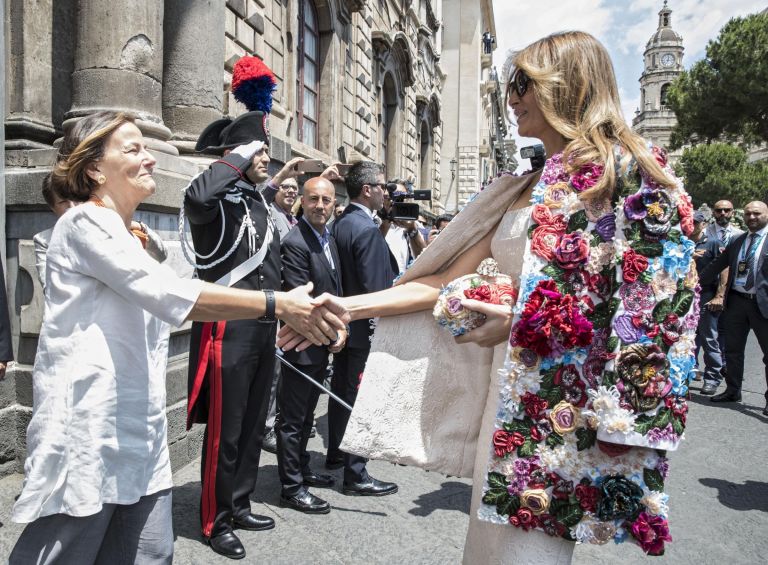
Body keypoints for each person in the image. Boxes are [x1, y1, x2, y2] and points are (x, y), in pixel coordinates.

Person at [282, 31, 697, 560]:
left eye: (524, 82)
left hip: (558, 417)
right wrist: (342, 307)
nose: (511, 96)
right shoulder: (522, 186)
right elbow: (436, 279)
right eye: (509, 83)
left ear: (567, 84)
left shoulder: (631, 176)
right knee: (487, 549)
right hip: (501, 409)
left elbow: (657, 312)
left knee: (524, 554)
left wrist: (523, 321)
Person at [9, 111, 346, 565]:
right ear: (93, 168)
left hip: (139, 428)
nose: (150, 158)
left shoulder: (131, 236)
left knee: (152, 553)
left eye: (147, 147)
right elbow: (175, 294)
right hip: (91, 427)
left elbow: (193, 281)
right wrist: (277, 304)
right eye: (133, 149)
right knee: (66, 553)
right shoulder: (83, 223)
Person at [325, 160, 399, 496]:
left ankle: (337, 455)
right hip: (363, 329)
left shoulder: (343, 223)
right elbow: (374, 290)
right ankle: (356, 473)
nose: (386, 192)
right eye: (382, 187)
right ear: (366, 190)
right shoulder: (365, 228)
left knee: (342, 393)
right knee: (359, 399)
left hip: (345, 327)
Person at [277, 177, 344, 514]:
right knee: (291, 420)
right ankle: (291, 488)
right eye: (314, 199)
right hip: (302, 345)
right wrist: (334, 335)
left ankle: (302, 470)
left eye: (327, 200)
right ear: (302, 201)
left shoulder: (326, 237)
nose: (320, 206)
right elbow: (303, 302)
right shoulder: (295, 242)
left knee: (305, 418)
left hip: (320, 346)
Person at [34, 174, 166, 289]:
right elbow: (50, 287)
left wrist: (135, 226)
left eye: (77, 198)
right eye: (63, 202)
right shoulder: (45, 240)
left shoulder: (114, 225)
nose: (72, 207)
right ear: (52, 208)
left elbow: (160, 255)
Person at [700, 200, 768, 416]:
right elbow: (716, 265)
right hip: (737, 302)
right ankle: (732, 390)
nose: (752, 217)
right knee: (733, 350)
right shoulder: (738, 240)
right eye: (748, 214)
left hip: (762, 305)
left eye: (757, 213)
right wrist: (693, 285)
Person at [262, 176, 301, 455]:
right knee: (274, 371)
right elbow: (265, 192)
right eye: (285, 186)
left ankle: (279, 421)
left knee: (285, 369)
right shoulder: (268, 211)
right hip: (272, 301)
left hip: (290, 302)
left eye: (294, 189)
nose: (290, 191)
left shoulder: (292, 218)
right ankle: (265, 427)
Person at [691, 211, 728, 395]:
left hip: (706, 294)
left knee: (708, 337)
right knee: (687, 337)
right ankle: (688, 372)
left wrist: (719, 295)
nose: (692, 225)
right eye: (689, 221)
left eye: (696, 222)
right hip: (686, 295)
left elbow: (724, 269)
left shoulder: (713, 243)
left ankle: (712, 378)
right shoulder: (682, 243)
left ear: (703, 224)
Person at [380, 180, 426, 273]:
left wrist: (412, 229)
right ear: (383, 198)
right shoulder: (373, 220)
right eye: (391, 198)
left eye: (401, 198)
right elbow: (372, 248)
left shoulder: (412, 224)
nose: (396, 203)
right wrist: (387, 220)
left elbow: (423, 259)